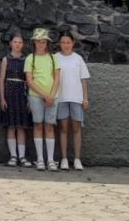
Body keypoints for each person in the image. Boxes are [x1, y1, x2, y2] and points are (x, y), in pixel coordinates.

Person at [54, 32, 91, 171]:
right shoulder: (55, 58)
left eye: (68, 42)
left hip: (76, 98)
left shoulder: (78, 59)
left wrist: (85, 98)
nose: (66, 45)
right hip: (61, 98)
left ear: (73, 43)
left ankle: (77, 159)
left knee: (76, 129)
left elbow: (83, 80)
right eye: (63, 42)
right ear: (59, 43)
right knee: (63, 128)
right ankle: (64, 158)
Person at [24, 27, 60, 171]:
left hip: (52, 97)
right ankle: (40, 159)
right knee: (38, 125)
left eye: (43, 41)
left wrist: (51, 95)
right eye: (38, 41)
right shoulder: (30, 58)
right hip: (36, 96)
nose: (41, 44)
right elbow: (29, 81)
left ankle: (50, 160)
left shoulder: (53, 58)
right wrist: (44, 95)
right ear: (34, 42)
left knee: (49, 126)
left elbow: (57, 78)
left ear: (47, 43)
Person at [0, 32, 32, 166]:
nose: (17, 44)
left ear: (23, 44)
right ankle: (13, 156)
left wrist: (29, 99)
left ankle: (22, 157)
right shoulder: (6, 59)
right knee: (11, 125)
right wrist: (2, 98)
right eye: (15, 42)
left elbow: (29, 81)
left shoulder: (26, 60)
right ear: (10, 43)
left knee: (21, 126)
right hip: (9, 94)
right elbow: (1, 80)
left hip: (22, 95)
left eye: (20, 42)